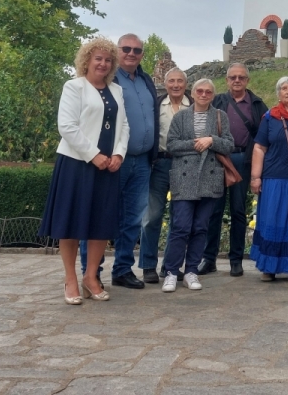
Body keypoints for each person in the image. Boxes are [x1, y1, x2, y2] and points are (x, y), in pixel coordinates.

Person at [38, 37, 129, 305]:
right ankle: (70, 279)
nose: (103, 63)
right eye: (98, 58)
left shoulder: (117, 90)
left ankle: (91, 278)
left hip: (108, 165)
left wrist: (118, 154)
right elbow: (66, 126)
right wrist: (93, 155)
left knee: (101, 222)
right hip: (76, 163)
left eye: (108, 60)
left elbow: (124, 126)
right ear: (87, 61)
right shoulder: (74, 86)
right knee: (71, 222)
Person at [79, 33, 159, 292]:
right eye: (126, 49)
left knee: (132, 219)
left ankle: (123, 269)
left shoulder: (146, 80)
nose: (131, 54)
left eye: (137, 50)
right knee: (100, 215)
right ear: (117, 51)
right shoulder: (108, 79)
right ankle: (91, 272)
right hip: (111, 160)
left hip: (142, 161)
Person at [161, 79, 234, 293]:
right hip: (184, 177)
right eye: (200, 91)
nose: (203, 94)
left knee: (201, 227)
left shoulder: (220, 116)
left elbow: (229, 144)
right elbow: (171, 145)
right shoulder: (181, 116)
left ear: (213, 95)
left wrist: (211, 140)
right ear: (192, 93)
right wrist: (198, 145)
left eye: (208, 92)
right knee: (180, 227)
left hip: (209, 177)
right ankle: (171, 271)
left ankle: (191, 270)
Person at [201, 63, 267, 277]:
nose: (237, 80)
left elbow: (264, 136)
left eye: (241, 77)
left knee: (238, 210)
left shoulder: (257, 104)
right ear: (227, 80)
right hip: (218, 159)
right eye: (233, 77)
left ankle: (236, 260)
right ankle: (209, 258)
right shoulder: (217, 101)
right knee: (214, 211)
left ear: (247, 80)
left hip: (242, 160)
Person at [249, 76, 288, 281]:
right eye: (284, 88)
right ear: (278, 93)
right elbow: (259, 147)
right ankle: (269, 267)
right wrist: (255, 177)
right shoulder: (270, 117)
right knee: (272, 221)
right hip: (274, 179)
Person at [140, 68, 192, 284]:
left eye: (180, 81)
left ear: (186, 84)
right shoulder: (156, 105)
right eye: (172, 81)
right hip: (160, 163)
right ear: (165, 83)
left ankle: (170, 267)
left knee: (179, 219)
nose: (176, 85)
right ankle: (148, 266)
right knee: (152, 216)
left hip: (186, 165)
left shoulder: (194, 105)